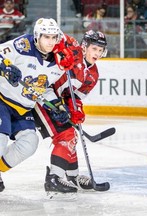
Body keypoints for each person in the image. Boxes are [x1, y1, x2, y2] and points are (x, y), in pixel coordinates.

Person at [0, 17, 74, 192]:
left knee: (30, 143)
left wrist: (56, 105)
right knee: (0, 139)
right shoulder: (22, 45)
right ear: (37, 36)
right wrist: (5, 67)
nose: (50, 41)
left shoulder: (58, 62)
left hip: (23, 108)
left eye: (53, 37)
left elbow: (42, 88)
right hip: (2, 99)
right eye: (46, 37)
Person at [32, 30, 108, 197]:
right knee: (66, 136)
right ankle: (54, 178)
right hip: (42, 96)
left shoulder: (93, 74)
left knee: (71, 135)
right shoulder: (73, 49)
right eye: (94, 49)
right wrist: (64, 43)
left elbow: (75, 98)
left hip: (58, 102)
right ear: (85, 46)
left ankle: (73, 177)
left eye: (100, 50)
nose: (97, 53)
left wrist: (76, 111)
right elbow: (54, 34)